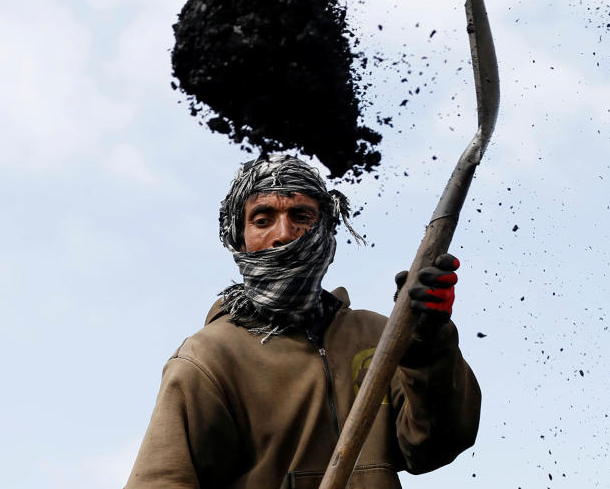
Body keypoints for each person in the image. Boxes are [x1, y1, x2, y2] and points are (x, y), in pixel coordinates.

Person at [125, 154, 481, 488]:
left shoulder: (378, 336)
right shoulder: (207, 360)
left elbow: (434, 445)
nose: (283, 233)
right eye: (262, 220)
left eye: (301, 216)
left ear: (325, 230)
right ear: (239, 239)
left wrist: (426, 342)